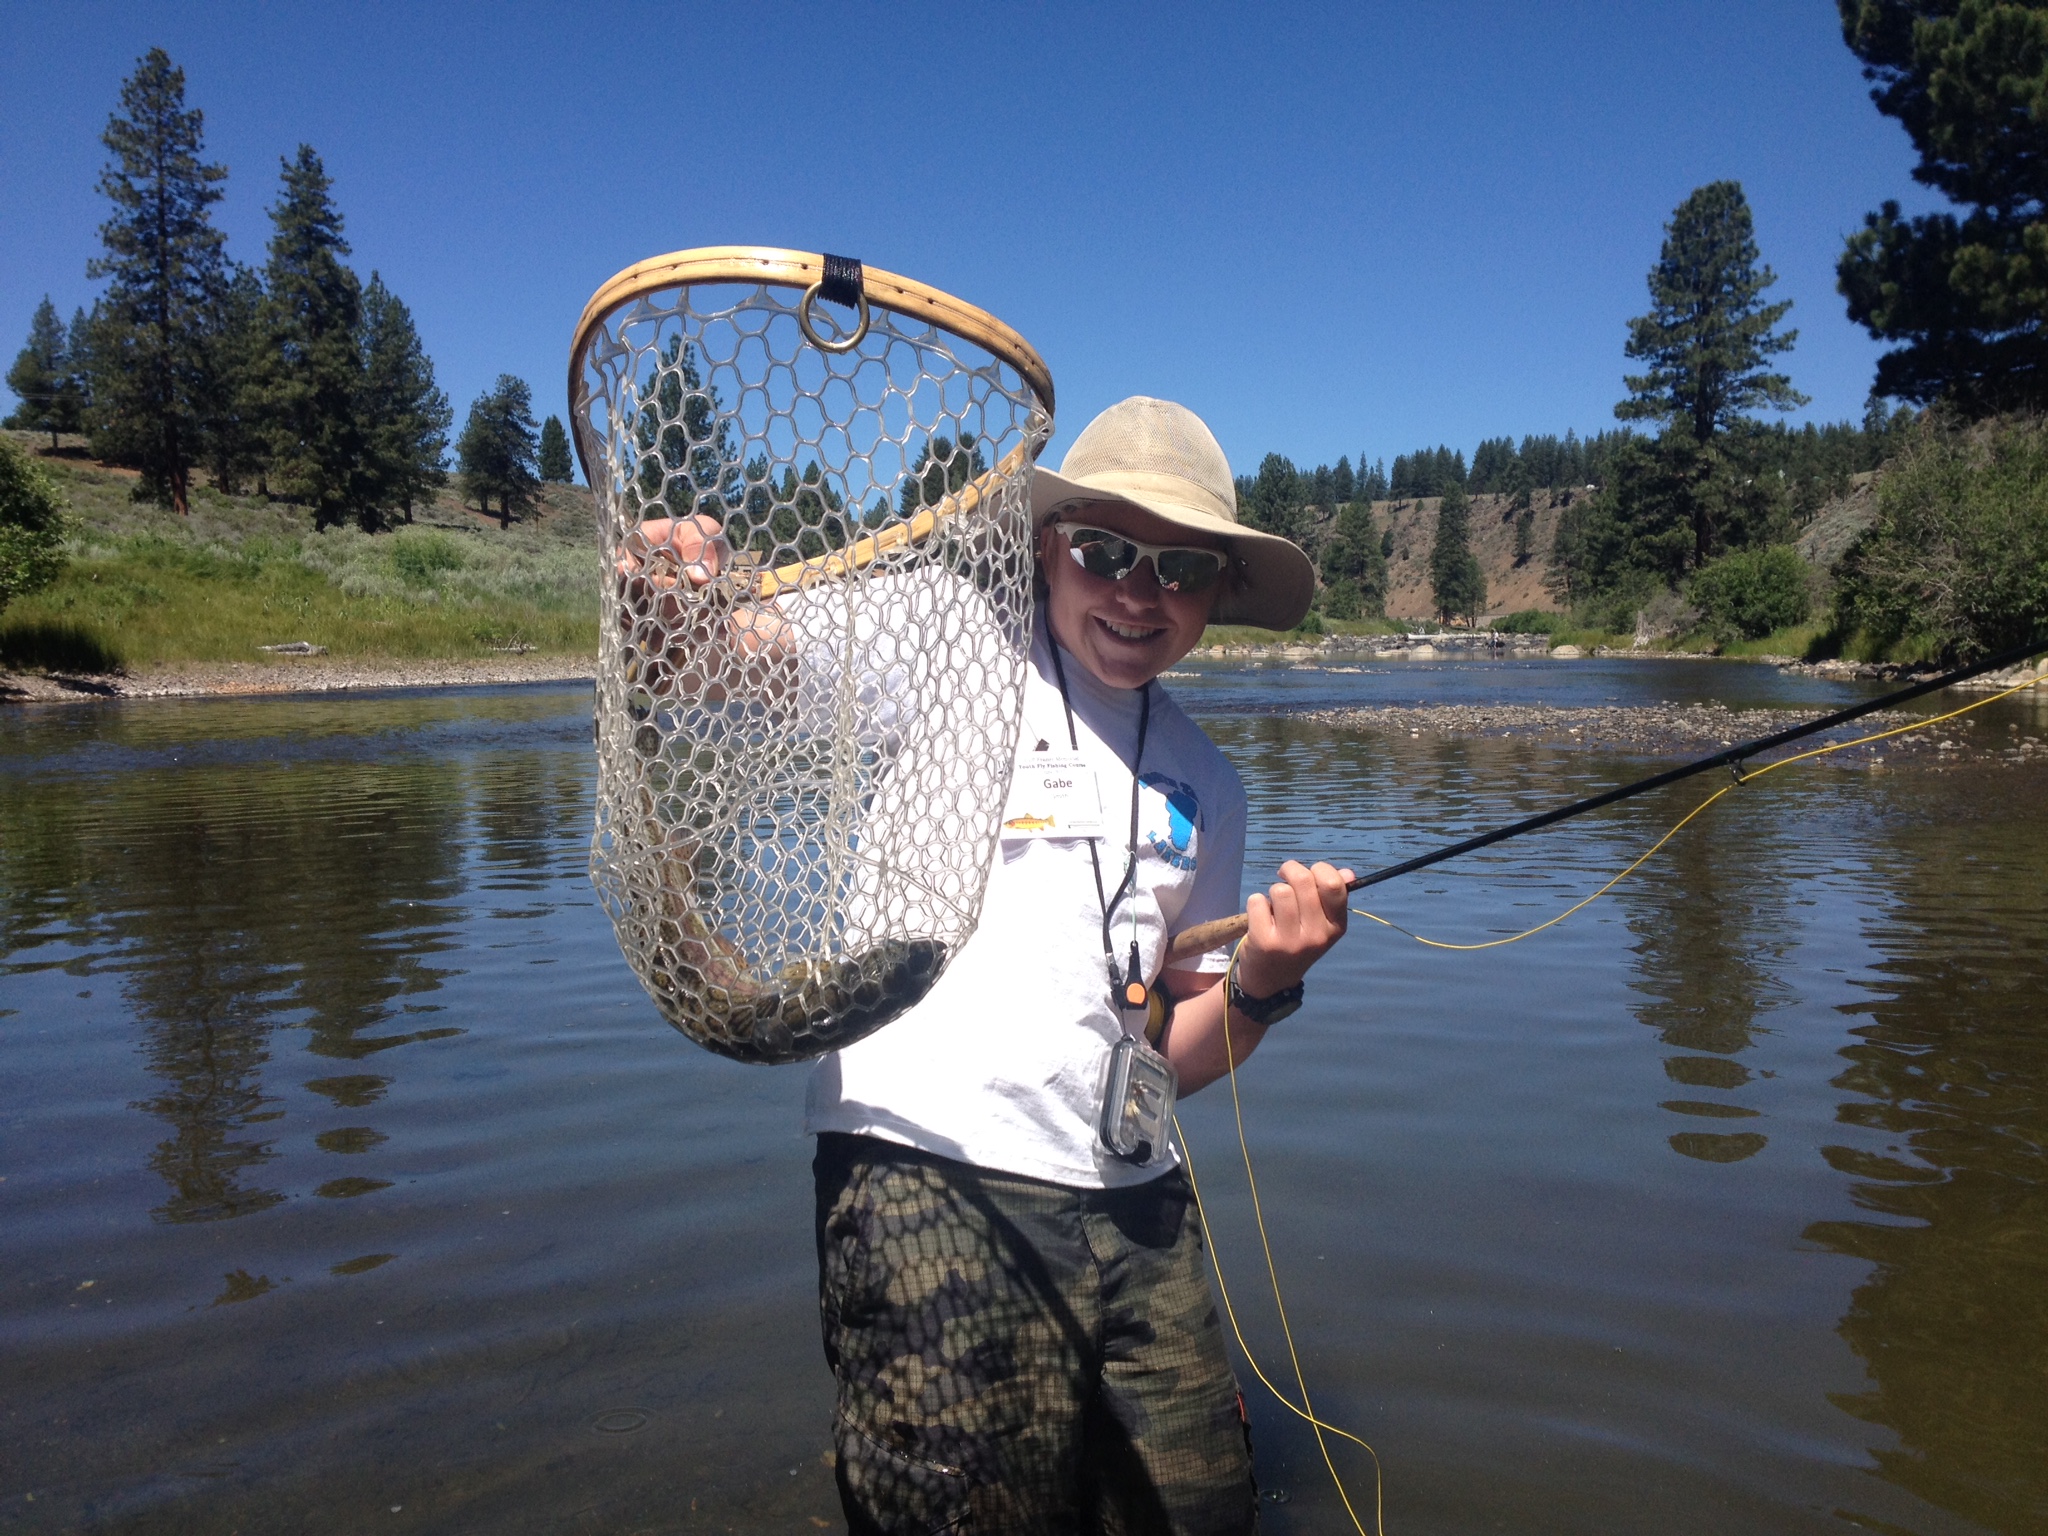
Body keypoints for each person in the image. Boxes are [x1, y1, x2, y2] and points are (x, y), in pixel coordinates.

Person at [632, 396, 1353, 1533]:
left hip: (1138, 1201)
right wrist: (673, 598)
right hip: (929, 1171)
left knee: (1200, 1508)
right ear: (1047, 548)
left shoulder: (1210, 783)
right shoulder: (947, 640)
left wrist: (1265, 981)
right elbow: (718, 661)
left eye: (1178, 568)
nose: (1136, 593)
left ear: (1217, 592)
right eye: (1105, 552)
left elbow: (1175, 1051)